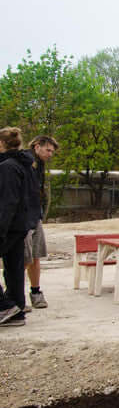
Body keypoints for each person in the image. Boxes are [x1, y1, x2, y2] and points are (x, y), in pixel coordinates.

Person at [0, 127, 41, 327]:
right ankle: (16, 311)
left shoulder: (8, 166)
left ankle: (4, 305)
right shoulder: (26, 165)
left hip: (9, 226)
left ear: (1, 144)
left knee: (14, 267)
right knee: (14, 269)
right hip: (22, 224)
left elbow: (8, 202)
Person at [24, 135, 58, 310]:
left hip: (35, 216)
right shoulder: (25, 160)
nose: (50, 154)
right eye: (48, 150)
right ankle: (13, 295)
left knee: (36, 256)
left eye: (52, 151)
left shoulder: (40, 164)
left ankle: (35, 292)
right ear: (37, 146)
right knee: (22, 258)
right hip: (22, 219)